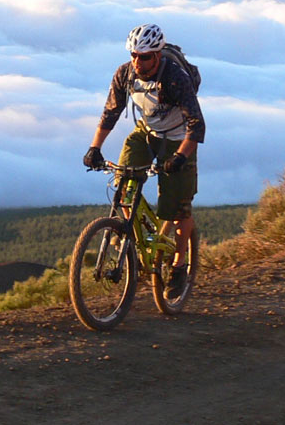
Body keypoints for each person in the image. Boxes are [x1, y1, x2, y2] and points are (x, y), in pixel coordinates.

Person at [84, 23, 204, 296]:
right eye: (134, 55)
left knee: (178, 208)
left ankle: (178, 266)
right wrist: (94, 148)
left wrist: (179, 157)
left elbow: (197, 126)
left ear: (158, 55)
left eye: (145, 56)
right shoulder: (125, 74)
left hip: (178, 138)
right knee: (123, 180)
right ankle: (130, 234)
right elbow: (110, 113)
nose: (138, 61)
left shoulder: (175, 77)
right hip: (146, 132)